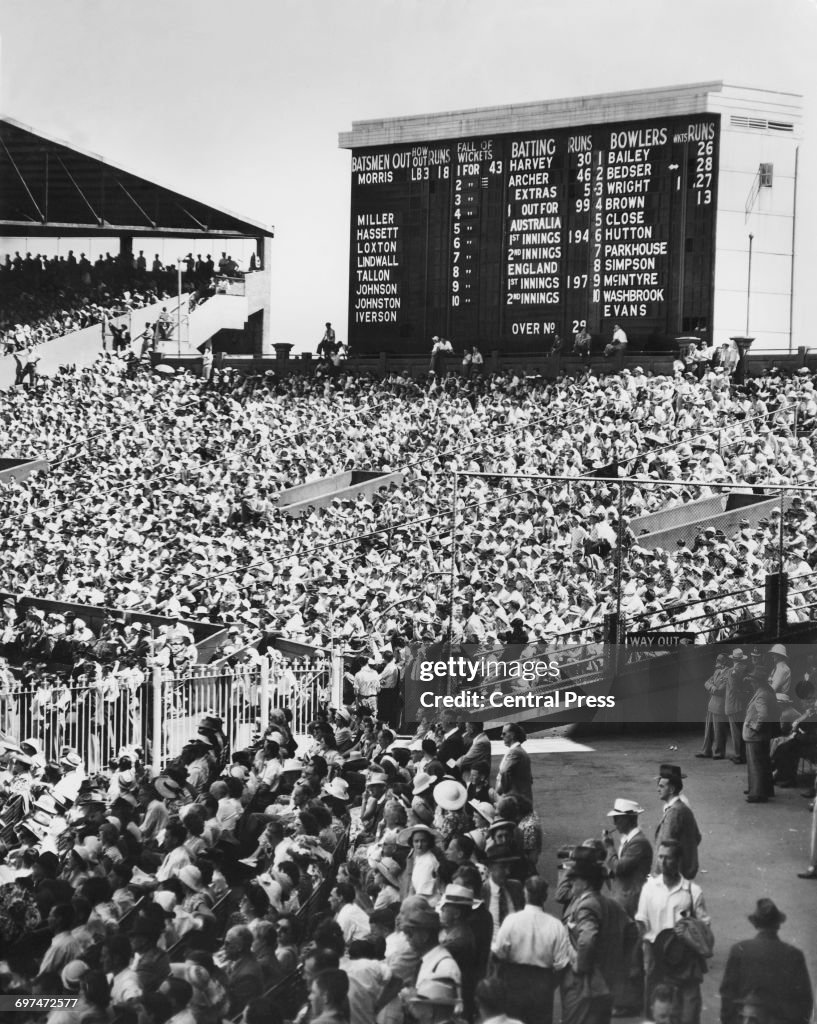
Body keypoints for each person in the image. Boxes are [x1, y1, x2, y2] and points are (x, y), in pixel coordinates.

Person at [636, 840, 711, 1024]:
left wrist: (691, 931)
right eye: (660, 857)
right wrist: (646, 958)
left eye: (668, 858)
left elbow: (705, 929)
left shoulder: (692, 892)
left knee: (688, 1016)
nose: (663, 862)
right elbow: (642, 923)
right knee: (657, 1016)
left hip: (686, 963)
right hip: (658, 962)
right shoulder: (649, 888)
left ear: (678, 860)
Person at [491, 875, 570, 1024]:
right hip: (543, 983)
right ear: (545, 896)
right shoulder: (556, 925)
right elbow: (562, 964)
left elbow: (498, 952)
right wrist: (549, 984)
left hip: (514, 981)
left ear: (525, 893)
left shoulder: (512, 920)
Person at [720, 898, 813, 1024]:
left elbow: (728, 994)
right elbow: (804, 1001)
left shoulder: (739, 950)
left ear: (756, 924)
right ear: (778, 925)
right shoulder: (794, 955)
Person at [560, 847, 613, 1024]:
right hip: (602, 981)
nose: (571, 882)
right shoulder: (603, 902)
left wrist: (579, 967)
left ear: (587, 882)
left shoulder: (586, 906)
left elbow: (587, 939)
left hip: (584, 984)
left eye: (575, 879)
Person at [602, 799, 653, 918]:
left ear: (628, 819)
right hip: (625, 899)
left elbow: (619, 868)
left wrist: (609, 847)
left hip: (630, 902)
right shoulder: (630, 841)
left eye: (617, 818)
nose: (614, 823)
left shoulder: (638, 843)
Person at [653, 765, 701, 880]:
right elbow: (697, 836)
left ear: (671, 789)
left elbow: (665, 848)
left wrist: (657, 876)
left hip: (671, 874)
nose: (657, 789)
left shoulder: (674, 812)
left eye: (661, 786)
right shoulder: (680, 807)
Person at [743, 668, 779, 803]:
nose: (751, 683)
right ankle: (765, 789)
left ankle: (757, 793)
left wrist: (754, 726)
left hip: (755, 736)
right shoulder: (769, 692)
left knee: (755, 764)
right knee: (764, 763)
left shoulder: (761, 695)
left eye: (752, 680)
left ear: (757, 682)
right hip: (764, 735)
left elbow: (763, 715)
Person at [696, 653, 730, 759]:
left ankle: (719, 753)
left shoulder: (728, 673)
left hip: (720, 706)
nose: (717, 661)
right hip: (712, 705)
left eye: (719, 660)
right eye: (717, 659)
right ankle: (706, 751)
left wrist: (712, 687)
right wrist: (713, 687)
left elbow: (721, 690)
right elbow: (706, 683)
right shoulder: (716, 672)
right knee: (708, 731)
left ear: (725, 661)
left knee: (719, 731)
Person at [496, 723, 532, 805]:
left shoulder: (514, 752)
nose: (501, 736)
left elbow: (504, 772)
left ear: (512, 735)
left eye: (504, 733)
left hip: (514, 802)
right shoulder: (518, 751)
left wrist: (498, 793)